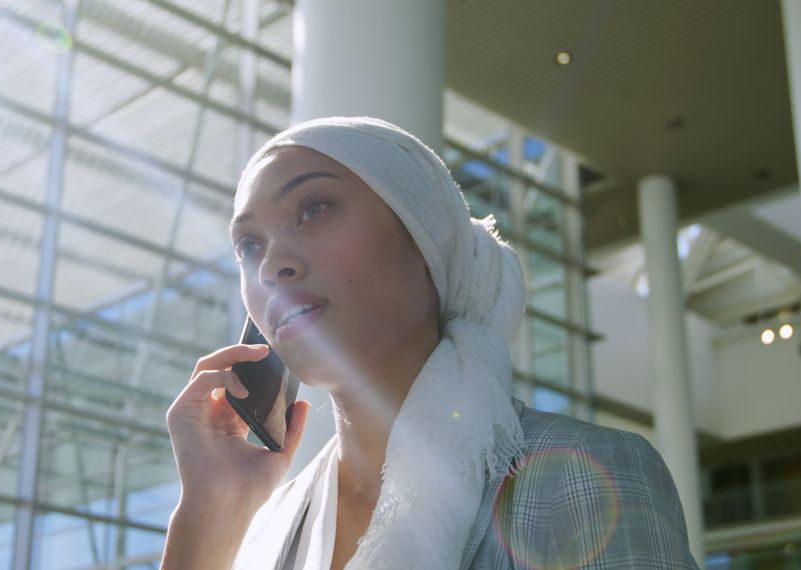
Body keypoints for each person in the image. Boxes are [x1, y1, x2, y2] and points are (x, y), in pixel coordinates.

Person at [161, 117, 698, 570]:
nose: (272, 265)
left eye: (315, 207)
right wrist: (210, 512)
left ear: (424, 240)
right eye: (249, 245)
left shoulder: (582, 478)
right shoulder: (273, 527)